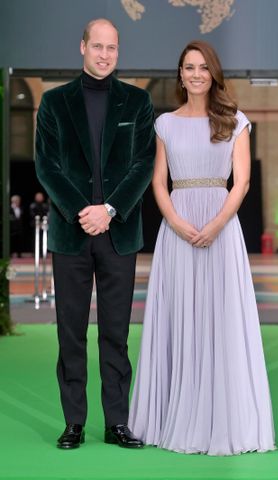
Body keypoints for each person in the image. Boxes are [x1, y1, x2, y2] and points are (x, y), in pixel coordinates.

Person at [129, 40, 275, 456]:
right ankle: (175, 413)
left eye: (202, 67)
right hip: (176, 233)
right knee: (179, 318)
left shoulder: (235, 120)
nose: (195, 74)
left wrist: (214, 225)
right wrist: (175, 221)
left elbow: (242, 182)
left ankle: (223, 419)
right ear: (180, 74)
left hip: (221, 229)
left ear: (214, 73)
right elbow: (158, 181)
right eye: (188, 67)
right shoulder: (165, 124)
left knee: (220, 319)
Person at [35, 18, 155, 450]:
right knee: (70, 331)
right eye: (97, 46)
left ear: (118, 52)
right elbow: (46, 166)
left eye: (112, 48)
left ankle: (117, 422)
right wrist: (81, 211)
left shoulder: (138, 103)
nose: (104, 55)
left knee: (116, 332)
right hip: (71, 234)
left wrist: (109, 209)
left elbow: (144, 164)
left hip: (118, 233)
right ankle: (74, 422)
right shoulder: (53, 103)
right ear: (82, 46)